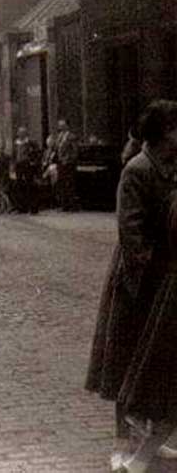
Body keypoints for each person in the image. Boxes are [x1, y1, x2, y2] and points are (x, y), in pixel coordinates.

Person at [85, 100, 177, 473]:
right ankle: (122, 441)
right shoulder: (136, 171)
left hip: (165, 279)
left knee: (154, 364)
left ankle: (153, 438)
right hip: (136, 284)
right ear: (164, 134)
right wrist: (153, 275)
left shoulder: (170, 167)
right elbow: (131, 234)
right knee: (125, 362)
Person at [13, 126, 41, 214]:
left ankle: (33, 208)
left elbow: (37, 152)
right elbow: (14, 155)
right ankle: (21, 207)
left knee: (30, 185)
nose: (21, 134)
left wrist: (33, 161)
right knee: (20, 185)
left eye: (23, 133)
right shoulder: (16, 143)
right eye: (19, 133)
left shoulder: (30, 142)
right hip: (19, 166)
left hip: (27, 165)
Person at [55, 119, 79, 211]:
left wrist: (70, 159)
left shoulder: (71, 136)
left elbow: (75, 150)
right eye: (59, 125)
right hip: (60, 163)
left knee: (70, 184)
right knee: (61, 183)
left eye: (62, 125)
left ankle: (72, 205)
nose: (60, 127)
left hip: (68, 163)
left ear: (67, 126)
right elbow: (57, 148)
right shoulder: (59, 137)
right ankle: (64, 205)